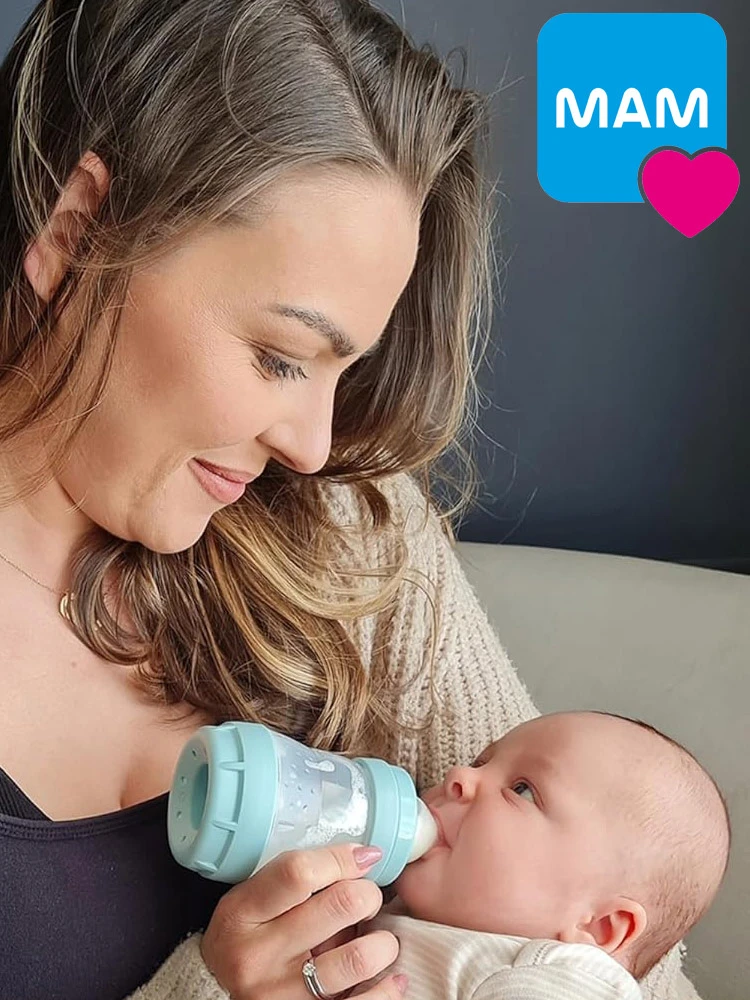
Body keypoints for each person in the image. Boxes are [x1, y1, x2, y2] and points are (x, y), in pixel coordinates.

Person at [0, 2, 703, 999]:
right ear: (75, 234)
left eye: (343, 370)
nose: (313, 444)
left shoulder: (346, 529)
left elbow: (624, 941)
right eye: (281, 355)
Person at [351, 711, 731, 998]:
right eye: (482, 761)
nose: (459, 775)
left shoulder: (559, 975)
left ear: (597, 926)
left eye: (522, 790)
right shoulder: (405, 911)